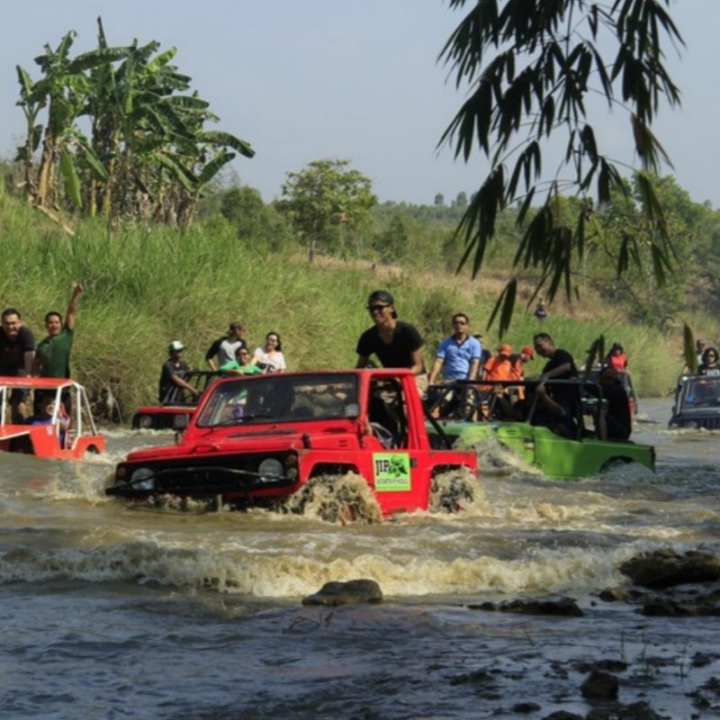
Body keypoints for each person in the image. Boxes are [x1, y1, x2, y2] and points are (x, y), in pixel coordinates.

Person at [355, 290, 426, 390]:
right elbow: (360, 367)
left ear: (391, 308)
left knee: (404, 402)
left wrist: (400, 377)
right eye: (372, 308)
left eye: (380, 307)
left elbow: (418, 366)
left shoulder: (407, 331)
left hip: (414, 377)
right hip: (390, 379)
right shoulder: (368, 337)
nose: (375, 312)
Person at [33, 282, 84, 414]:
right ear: (46, 326)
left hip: (62, 385)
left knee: (65, 416)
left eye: (56, 323)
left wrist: (76, 294)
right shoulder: (42, 344)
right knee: (40, 416)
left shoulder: (65, 337)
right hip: (43, 386)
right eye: (50, 323)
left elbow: (71, 313)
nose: (53, 325)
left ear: (61, 325)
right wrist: (32, 377)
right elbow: (36, 363)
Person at [0, 308, 36, 421]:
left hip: (21, 368)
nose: (10, 327)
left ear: (20, 323)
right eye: (6, 324)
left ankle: (19, 432)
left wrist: (28, 374)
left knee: (18, 399)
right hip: (2, 367)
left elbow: (29, 354)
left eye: (13, 323)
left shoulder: (25, 334)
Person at [533, 332, 578, 417]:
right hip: (555, 396)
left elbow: (566, 366)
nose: (538, 350)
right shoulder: (548, 365)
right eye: (536, 348)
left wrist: (547, 375)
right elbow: (542, 378)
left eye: (540, 346)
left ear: (549, 342)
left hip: (568, 397)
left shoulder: (561, 354)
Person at [428, 313, 481, 385]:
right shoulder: (445, 342)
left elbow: (475, 363)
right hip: (448, 379)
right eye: (456, 323)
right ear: (453, 325)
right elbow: (439, 361)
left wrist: (470, 381)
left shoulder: (474, 343)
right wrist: (431, 380)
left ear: (467, 325)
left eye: (462, 323)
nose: (459, 325)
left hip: (465, 380)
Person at [590, 367, 632, 441]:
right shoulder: (613, 389)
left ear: (612, 379)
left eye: (603, 379)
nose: (601, 382)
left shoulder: (618, 391)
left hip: (621, 431)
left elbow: (599, 392)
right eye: (601, 379)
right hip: (614, 426)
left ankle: (602, 440)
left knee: (598, 411)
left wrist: (583, 384)